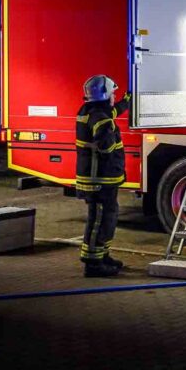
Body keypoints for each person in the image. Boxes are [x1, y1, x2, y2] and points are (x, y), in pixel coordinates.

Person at [74, 75, 130, 277]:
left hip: (99, 178)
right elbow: (105, 147)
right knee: (99, 220)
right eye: (113, 93)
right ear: (105, 94)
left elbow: (113, 111)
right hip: (99, 179)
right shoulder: (101, 118)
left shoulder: (91, 110)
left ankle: (102, 255)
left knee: (107, 217)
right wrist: (112, 135)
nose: (114, 96)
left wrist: (127, 101)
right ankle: (93, 264)